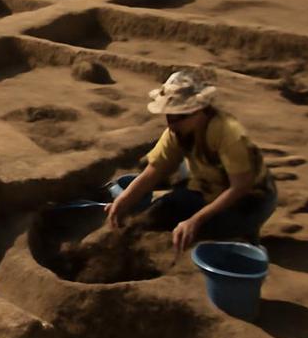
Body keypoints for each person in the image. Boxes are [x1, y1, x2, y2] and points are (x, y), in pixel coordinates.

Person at [105, 71, 277, 254]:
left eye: (178, 116)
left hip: (250, 200)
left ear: (198, 111)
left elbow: (240, 187)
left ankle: (242, 237)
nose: (172, 124)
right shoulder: (176, 133)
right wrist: (124, 200)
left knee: (199, 235)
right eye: (169, 117)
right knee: (160, 211)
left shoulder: (227, 132)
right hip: (208, 190)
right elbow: (154, 171)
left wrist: (195, 220)